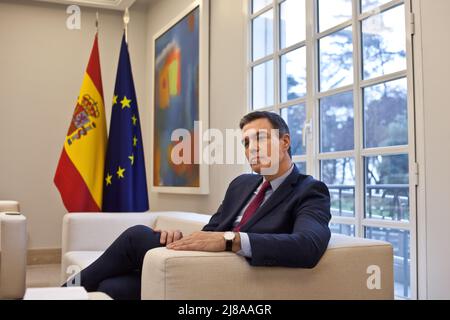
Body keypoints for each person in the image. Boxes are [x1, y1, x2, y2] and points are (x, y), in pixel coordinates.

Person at [63, 111, 331, 300]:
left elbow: (307, 246)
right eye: (246, 142)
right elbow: (211, 230)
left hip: (234, 268)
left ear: (285, 142)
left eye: (260, 138)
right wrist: (182, 239)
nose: (251, 148)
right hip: (202, 263)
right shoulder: (242, 184)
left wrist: (231, 240)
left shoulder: (310, 190)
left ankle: (57, 293)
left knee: (136, 236)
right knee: (112, 286)